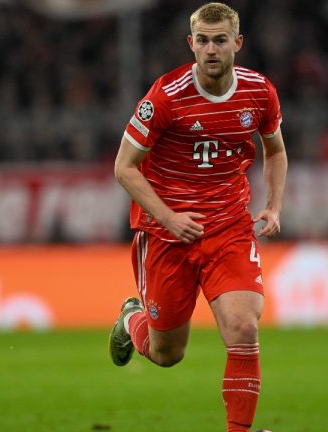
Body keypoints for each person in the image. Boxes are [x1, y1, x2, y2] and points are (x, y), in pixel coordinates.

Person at [108, 3, 287, 431]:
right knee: (167, 353)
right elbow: (124, 167)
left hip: (228, 227)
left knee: (244, 327)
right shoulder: (165, 97)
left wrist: (274, 204)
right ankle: (131, 317)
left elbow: (275, 150)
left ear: (237, 44)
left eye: (220, 40)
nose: (211, 49)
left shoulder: (259, 92)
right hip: (168, 235)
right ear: (191, 44)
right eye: (203, 41)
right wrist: (168, 217)